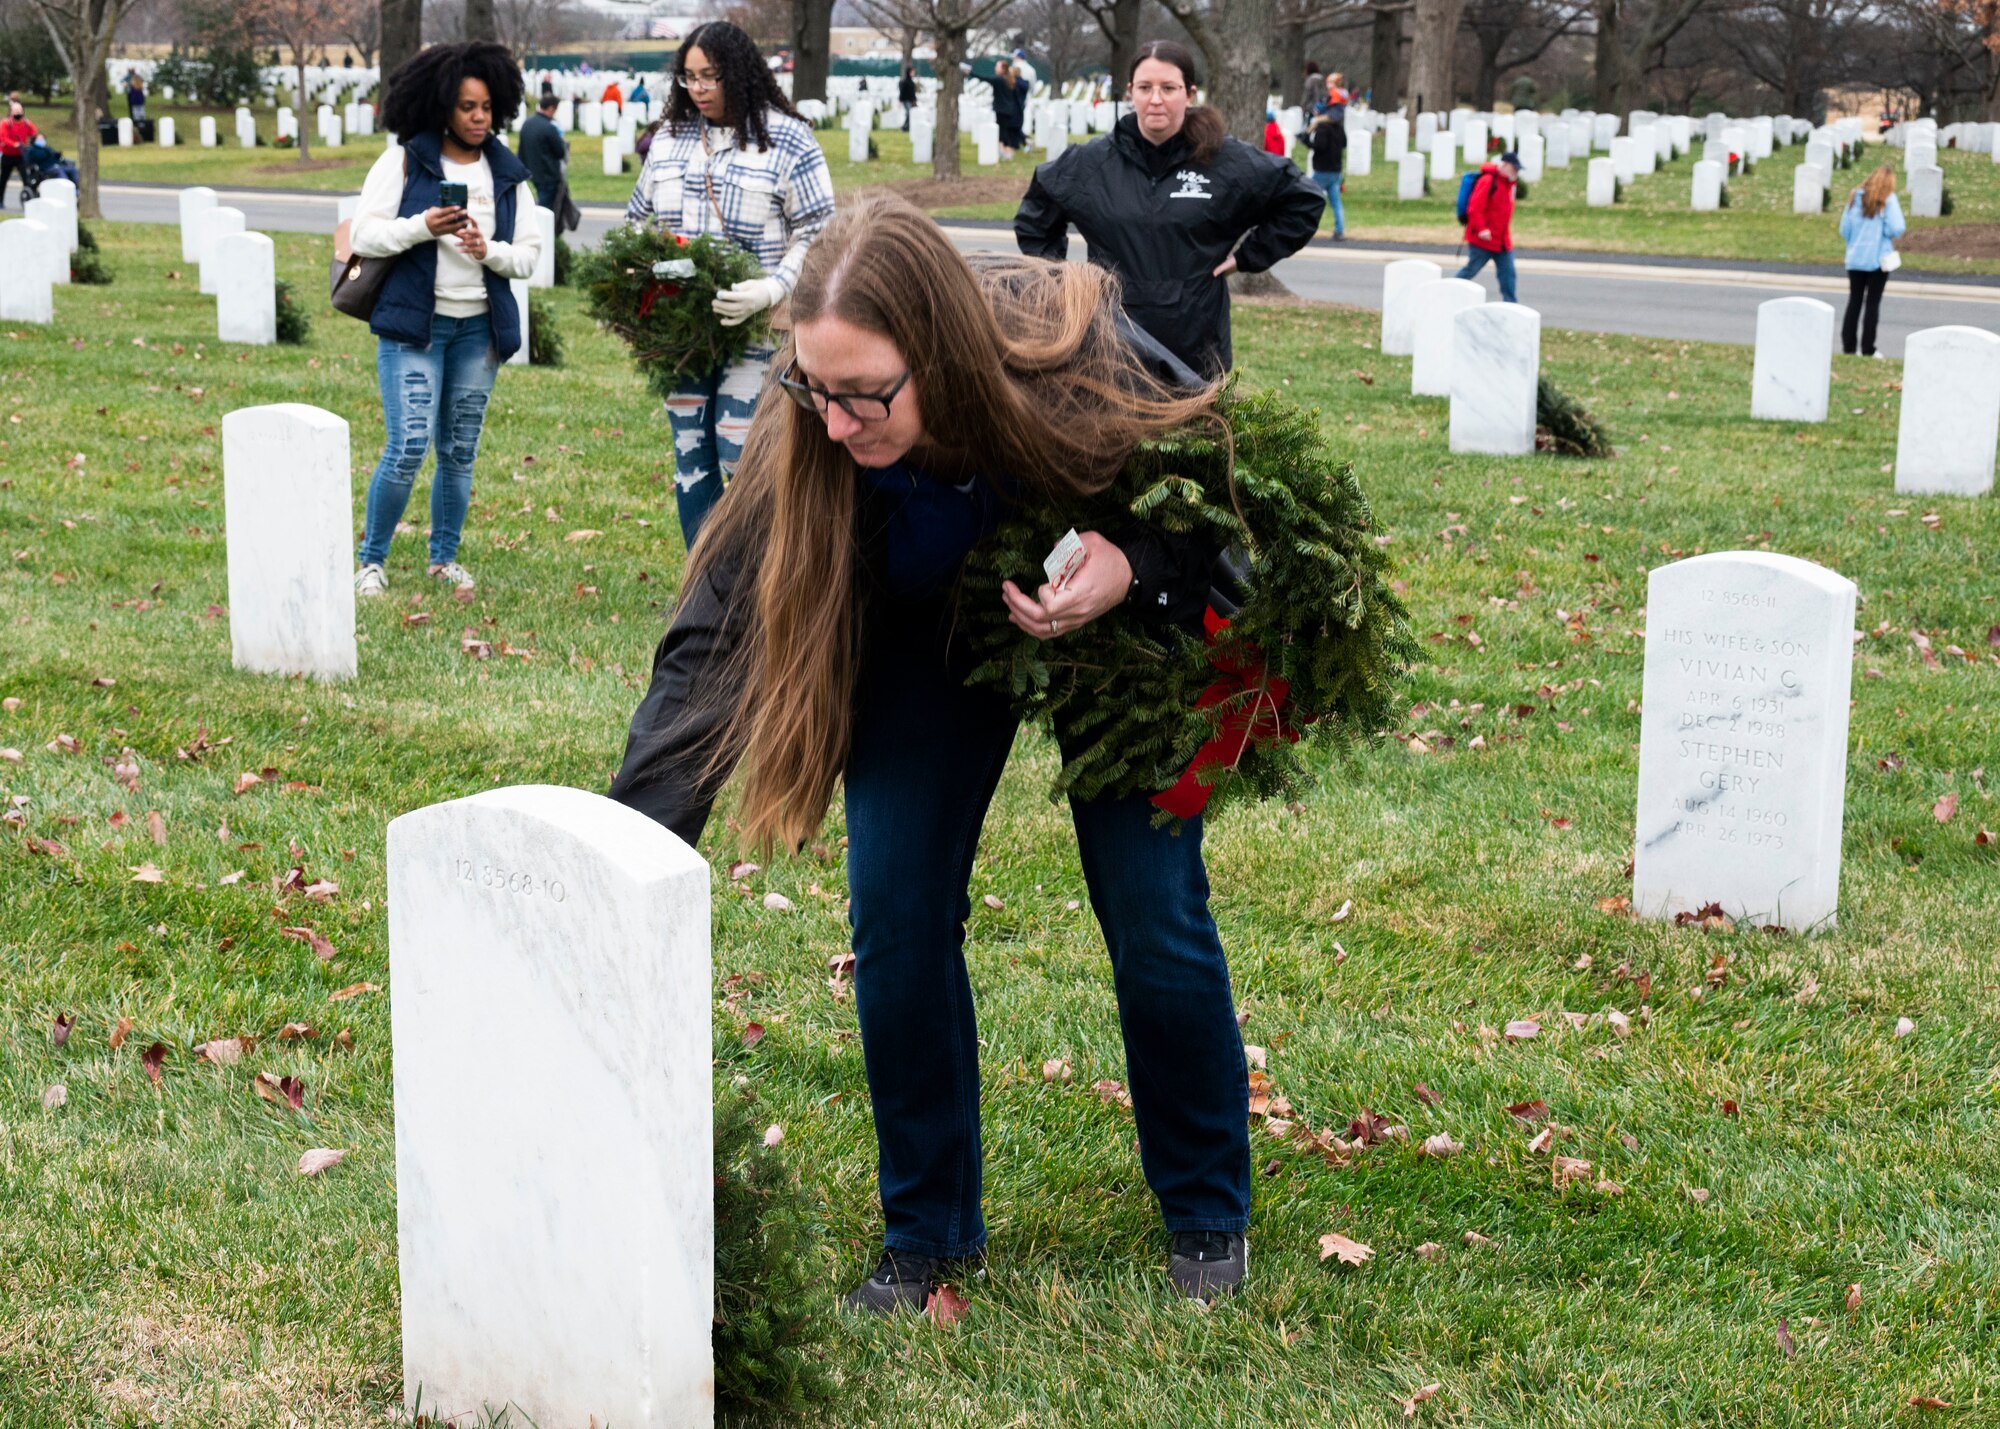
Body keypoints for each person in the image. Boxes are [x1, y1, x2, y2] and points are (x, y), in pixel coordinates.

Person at [607, 194, 1255, 1309]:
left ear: (941, 355)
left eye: (865, 397)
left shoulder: (1069, 351)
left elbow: (1221, 502)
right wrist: (617, 854)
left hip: (1113, 626)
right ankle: (928, 1234)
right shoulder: (806, 427)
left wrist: (1131, 560)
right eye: (817, 390)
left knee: (1149, 905)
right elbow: (710, 643)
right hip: (928, 636)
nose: (837, 424)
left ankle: (1203, 1208)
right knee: (895, 908)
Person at [626, 20, 835, 549]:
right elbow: (638, 220)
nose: (697, 89)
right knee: (691, 454)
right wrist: (651, 269)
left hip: (756, 326)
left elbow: (820, 229)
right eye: (688, 78)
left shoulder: (788, 139)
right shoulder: (670, 140)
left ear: (738, 74)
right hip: (683, 329)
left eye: (710, 77)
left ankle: (757, 575)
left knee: (739, 449)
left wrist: (774, 287)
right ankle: (705, 590)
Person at [349, 41, 541, 599]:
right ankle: (371, 562)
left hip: (477, 331)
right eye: (466, 107)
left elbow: (527, 256)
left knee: (458, 452)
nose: (479, 118)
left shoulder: (508, 173)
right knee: (407, 446)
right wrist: (422, 225)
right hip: (416, 329)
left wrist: (488, 251)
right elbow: (363, 235)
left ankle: (443, 559)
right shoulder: (405, 161)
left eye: (486, 107)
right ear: (441, 108)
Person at [1014, 38, 1324, 376]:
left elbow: (1303, 199)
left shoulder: (1227, 161)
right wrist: (1060, 281)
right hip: (1111, 347)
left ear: (1189, 94)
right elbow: (1036, 215)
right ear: (1130, 91)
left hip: (1196, 347)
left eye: (1169, 88)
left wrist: (1248, 257)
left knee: (1194, 429)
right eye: (1145, 87)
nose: (1156, 99)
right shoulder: (1091, 164)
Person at [1839, 164, 1905, 359]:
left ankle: (1848, 347)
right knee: (1872, 304)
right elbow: (1897, 228)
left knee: (1854, 301)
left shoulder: (1854, 198)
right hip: (1877, 260)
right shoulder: (1888, 201)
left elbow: (1845, 229)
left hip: (1855, 259)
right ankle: (1868, 348)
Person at [1454, 149, 1519, 303]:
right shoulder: (1488, 181)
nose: (1515, 172)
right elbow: (1474, 208)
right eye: (1513, 168)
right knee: (1470, 270)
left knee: (1508, 274)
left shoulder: (1508, 185)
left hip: (1501, 241)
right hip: (1482, 240)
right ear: (1504, 165)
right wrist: (1482, 229)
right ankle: (1447, 292)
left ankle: (1511, 305)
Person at [964, 59, 1026, 155]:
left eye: (997, 66)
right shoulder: (1009, 80)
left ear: (1002, 69)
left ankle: (1005, 150)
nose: (995, 68)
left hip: (1001, 109)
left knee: (1002, 131)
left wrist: (971, 73)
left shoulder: (999, 80)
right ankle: (1005, 150)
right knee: (1004, 130)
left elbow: (984, 78)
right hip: (1009, 109)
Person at [518, 92, 568, 209]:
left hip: (531, 171)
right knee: (545, 209)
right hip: (548, 174)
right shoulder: (549, 128)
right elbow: (560, 152)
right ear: (551, 108)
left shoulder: (527, 123)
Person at [1305, 103, 1346, 240]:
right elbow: (1344, 143)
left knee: (1308, 199)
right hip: (1336, 170)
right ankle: (1339, 230)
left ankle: (1303, 228)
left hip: (1322, 170)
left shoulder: (1322, 128)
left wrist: (1306, 141)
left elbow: (1319, 146)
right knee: (1336, 202)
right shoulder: (1338, 127)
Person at [1, 98, 38, 209]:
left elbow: (34, 133)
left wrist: (33, 142)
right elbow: (3, 138)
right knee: (3, 179)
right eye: (15, 111)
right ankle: (0, 201)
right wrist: (14, 144)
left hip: (20, 155)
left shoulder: (26, 123)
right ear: (11, 112)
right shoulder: (5, 123)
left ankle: (29, 199)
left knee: (25, 178)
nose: (17, 113)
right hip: (8, 155)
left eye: (19, 110)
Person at [898, 63, 918, 129]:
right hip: (906, 100)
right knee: (908, 113)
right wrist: (900, 100)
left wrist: (914, 100)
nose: (913, 73)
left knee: (910, 114)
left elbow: (913, 93)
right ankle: (905, 126)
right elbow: (902, 92)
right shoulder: (905, 81)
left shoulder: (911, 82)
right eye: (912, 72)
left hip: (911, 100)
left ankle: (906, 126)